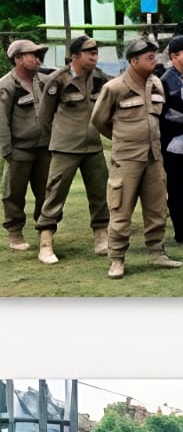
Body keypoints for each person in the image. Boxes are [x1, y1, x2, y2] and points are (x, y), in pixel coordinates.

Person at [35, 35, 110, 264]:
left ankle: (101, 236)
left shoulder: (100, 78)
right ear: (75, 56)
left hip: (93, 147)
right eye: (90, 54)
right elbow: (44, 116)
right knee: (55, 193)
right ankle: (46, 243)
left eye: (96, 53)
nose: (94, 58)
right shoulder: (59, 79)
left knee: (100, 194)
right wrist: (58, 139)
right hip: (65, 148)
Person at [0, 39, 50, 255]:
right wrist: (6, 150)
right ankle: (15, 232)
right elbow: (1, 120)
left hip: (45, 147)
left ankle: (45, 231)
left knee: (46, 192)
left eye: (38, 54)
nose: (37, 58)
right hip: (19, 148)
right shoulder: (7, 85)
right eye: (31, 54)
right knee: (14, 193)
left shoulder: (44, 81)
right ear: (17, 59)